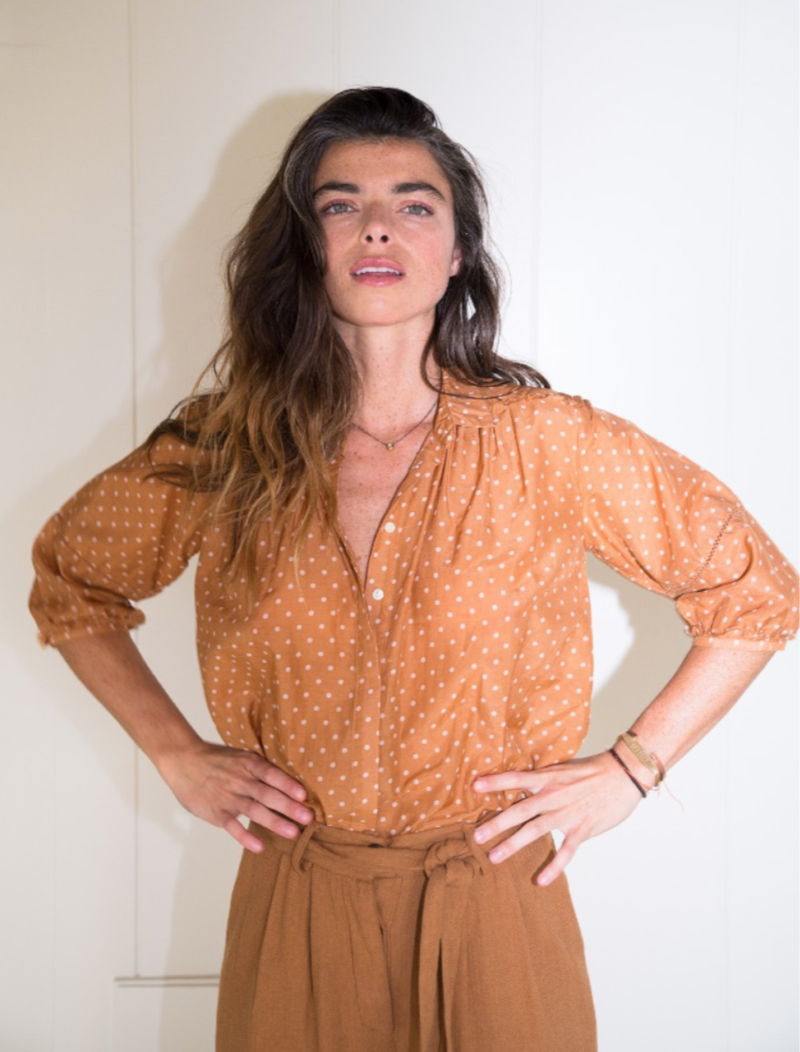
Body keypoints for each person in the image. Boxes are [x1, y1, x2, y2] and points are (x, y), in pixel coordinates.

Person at [29, 87, 798, 1052]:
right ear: (304, 243)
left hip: (495, 909)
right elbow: (72, 580)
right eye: (340, 203)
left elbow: (756, 592)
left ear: (457, 250)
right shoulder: (226, 450)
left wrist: (631, 770)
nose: (378, 226)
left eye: (414, 203)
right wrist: (175, 754)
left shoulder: (547, 443)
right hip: (297, 906)